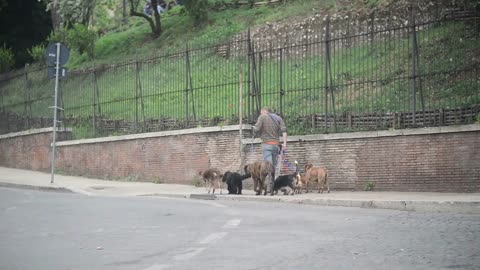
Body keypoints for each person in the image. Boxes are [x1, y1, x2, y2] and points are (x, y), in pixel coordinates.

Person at [252, 107, 287, 193]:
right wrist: (285, 144)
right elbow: (284, 131)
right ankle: (273, 186)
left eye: (261, 112)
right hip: (276, 146)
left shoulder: (262, 117)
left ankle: (268, 188)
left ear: (264, 111)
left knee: (267, 167)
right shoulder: (278, 118)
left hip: (266, 145)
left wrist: (253, 129)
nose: (260, 114)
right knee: (273, 168)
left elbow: (256, 129)